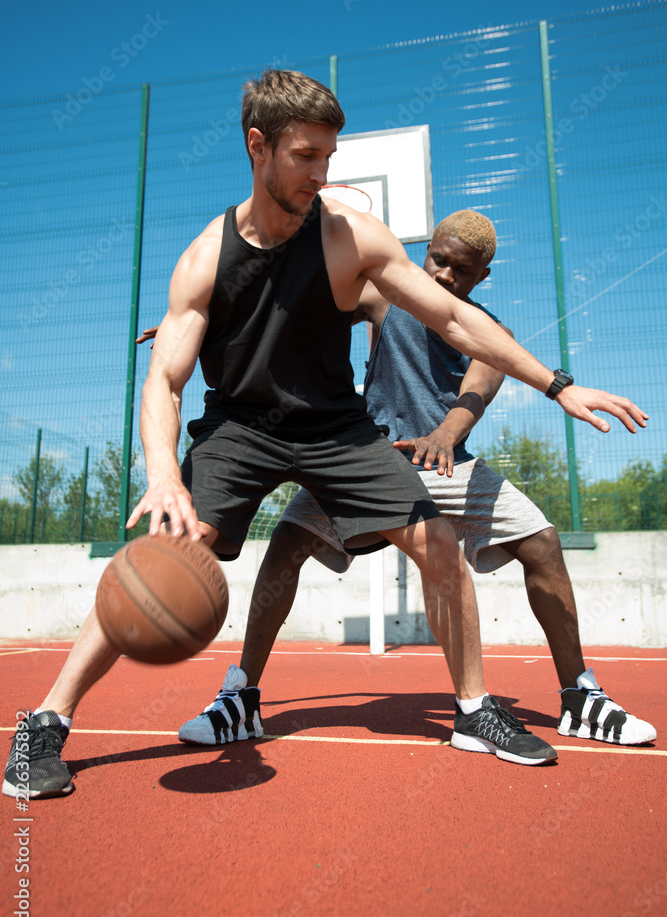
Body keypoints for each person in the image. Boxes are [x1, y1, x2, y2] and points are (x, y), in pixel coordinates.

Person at [3, 70, 648, 798]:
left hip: (335, 429)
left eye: (329, 157)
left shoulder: (350, 238)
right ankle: (48, 724)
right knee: (160, 557)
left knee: (436, 544)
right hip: (241, 427)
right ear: (258, 146)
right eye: (306, 156)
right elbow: (164, 380)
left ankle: (472, 710)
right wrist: (162, 473)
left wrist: (558, 386)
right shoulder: (204, 259)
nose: (321, 173)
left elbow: (455, 319)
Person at [176, 210, 656, 753]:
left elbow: (475, 391)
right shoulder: (386, 297)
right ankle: (241, 697)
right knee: (287, 542)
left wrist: (446, 433)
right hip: (365, 458)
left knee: (542, 541)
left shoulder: (493, 333)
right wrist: (214, 324)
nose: (446, 275)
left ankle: (580, 698)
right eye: (440, 260)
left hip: (447, 464)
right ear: (427, 250)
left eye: (462, 270)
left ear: (483, 276)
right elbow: (298, 310)